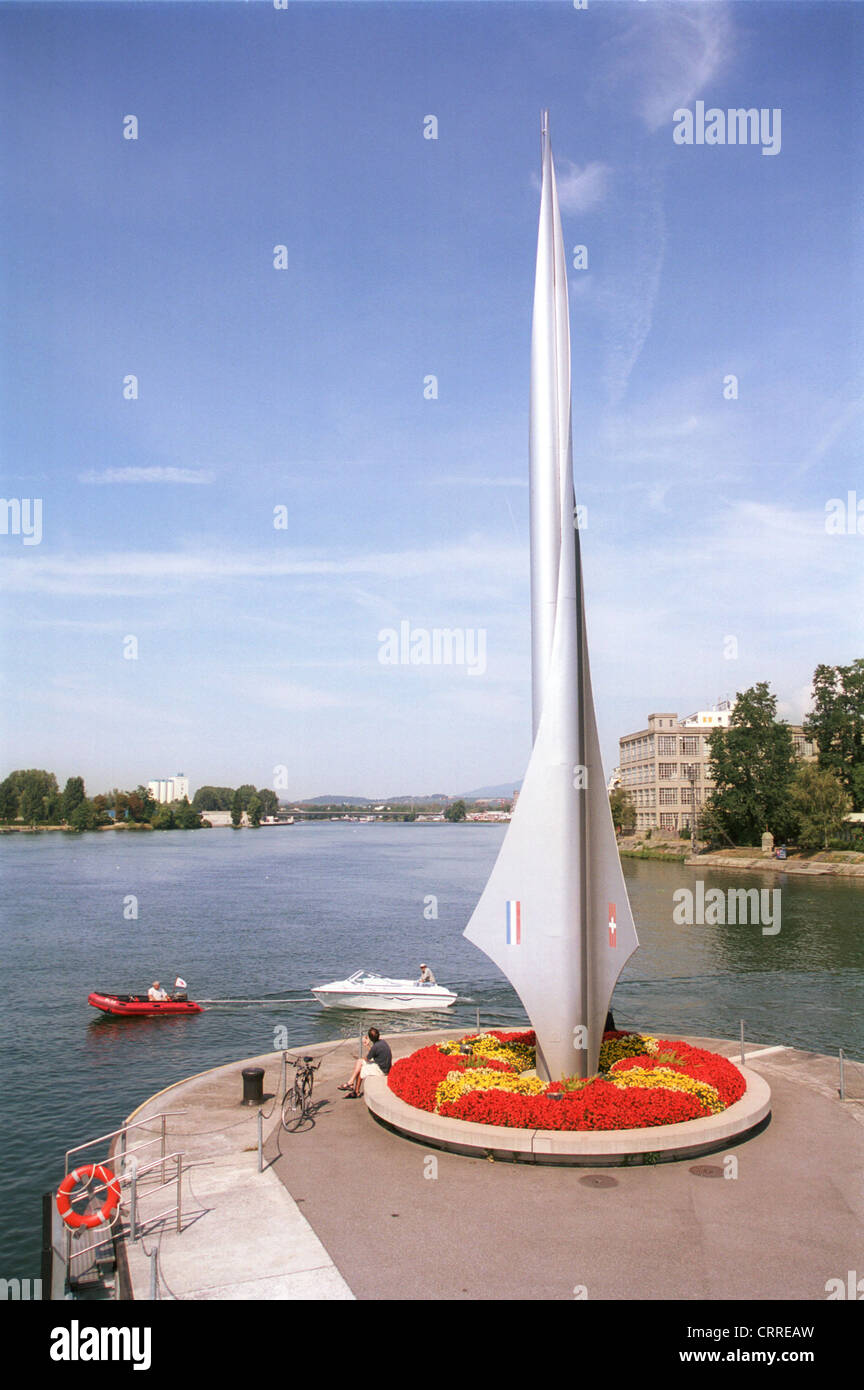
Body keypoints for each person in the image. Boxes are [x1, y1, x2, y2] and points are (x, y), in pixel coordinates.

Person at [338, 1027, 392, 1098]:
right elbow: (373, 1053)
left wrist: (366, 1044)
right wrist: (368, 1045)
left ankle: (353, 1087)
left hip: (382, 1070)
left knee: (361, 1067)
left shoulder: (375, 1047)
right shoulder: (382, 1042)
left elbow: (367, 1058)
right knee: (360, 1062)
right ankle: (352, 1085)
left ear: (370, 1038)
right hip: (385, 1067)